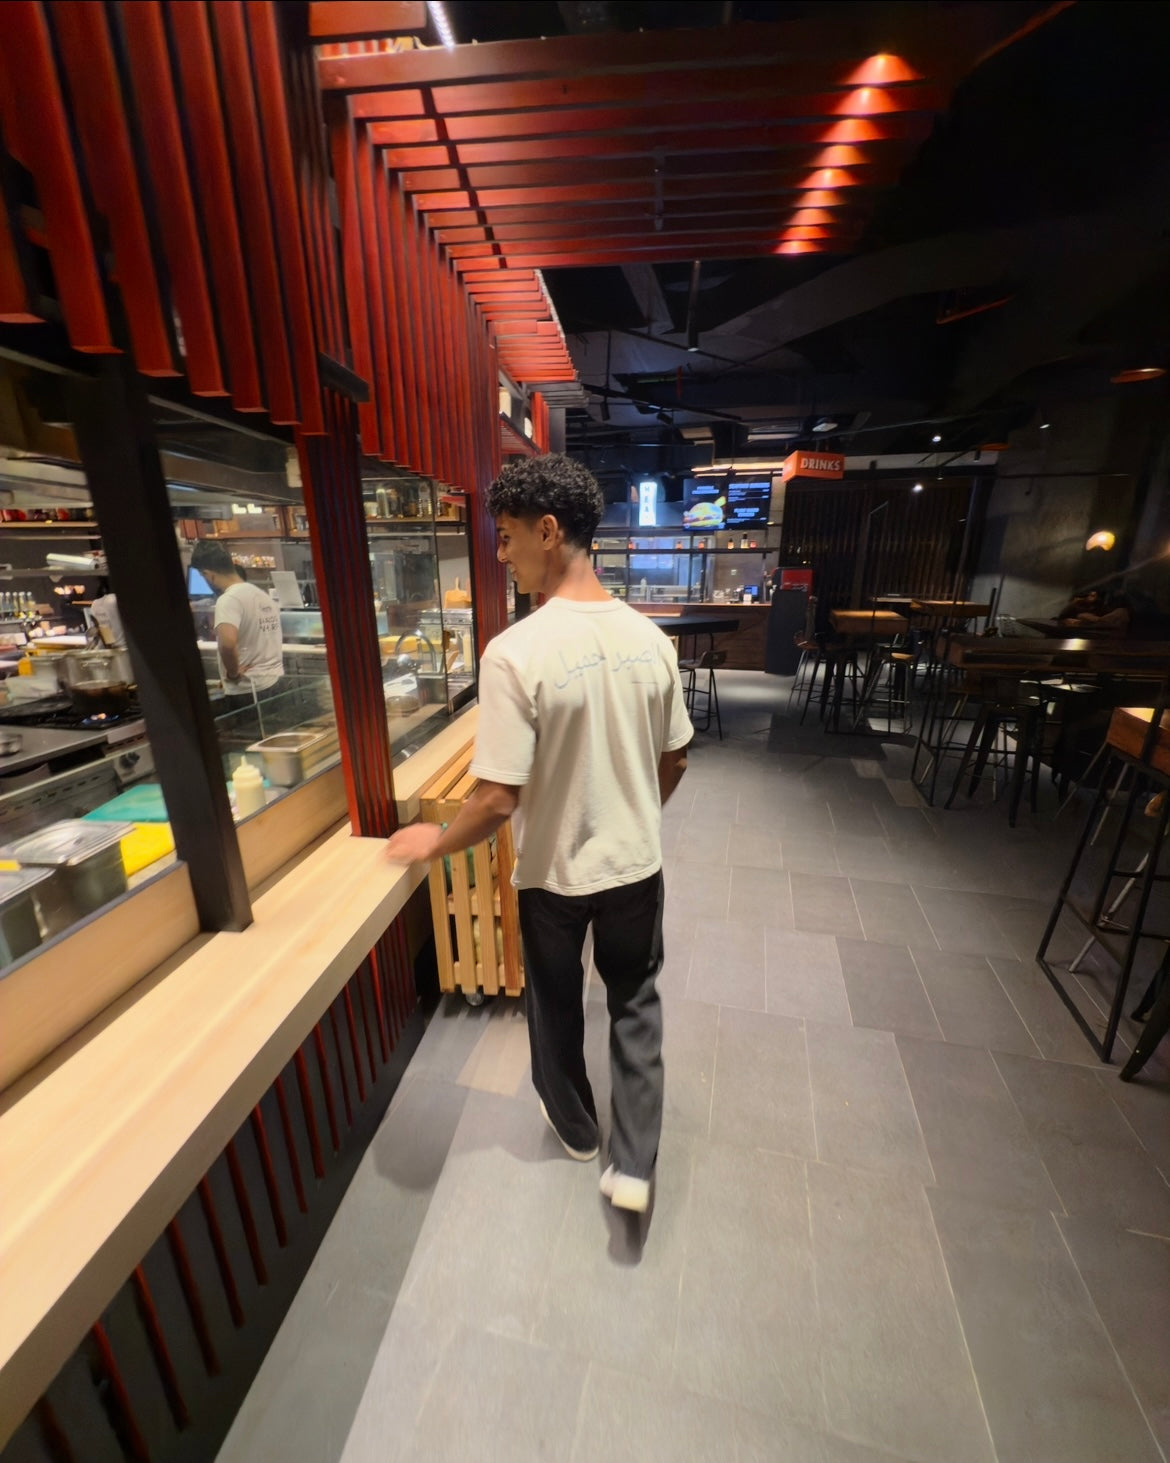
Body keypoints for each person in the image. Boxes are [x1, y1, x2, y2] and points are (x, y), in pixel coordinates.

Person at [385, 454, 692, 1214]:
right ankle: (633, 1164)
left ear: (548, 532)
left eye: (507, 536)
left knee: (555, 1009)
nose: (500, 553)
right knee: (635, 1003)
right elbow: (676, 755)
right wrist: (637, 811)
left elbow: (494, 799)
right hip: (634, 866)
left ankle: (579, 1126)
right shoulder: (652, 639)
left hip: (551, 877)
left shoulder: (514, 651)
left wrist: (435, 841)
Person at [189, 541, 286, 711]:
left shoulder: (228, 600)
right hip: (273, 683)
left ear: (208, 574)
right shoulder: (260, 594)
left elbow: (227, 643)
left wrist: (232, 673)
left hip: (248, 689)